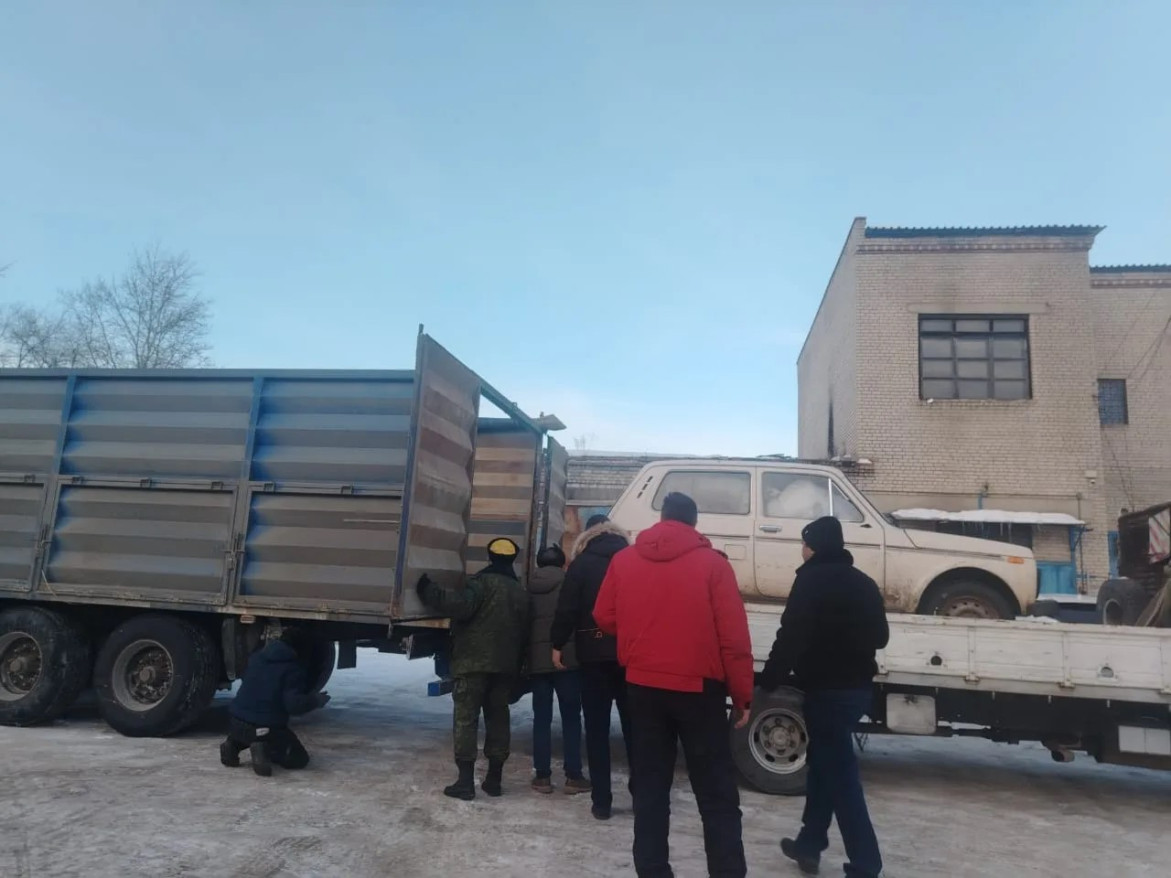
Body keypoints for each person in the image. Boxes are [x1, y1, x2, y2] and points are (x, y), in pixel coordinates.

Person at [594, 492, 754, 878]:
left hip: (642, 687)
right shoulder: (713, 565)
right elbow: (733, 638)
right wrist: (742, 695)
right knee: (715, 793)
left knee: (650, 788)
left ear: (662, 518)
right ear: (693, 523)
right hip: (700, 691)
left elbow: (603, 615)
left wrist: (637, 632)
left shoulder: (624, 560)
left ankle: (652, 870)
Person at [759, 516, 889, 878]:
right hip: (857, 690)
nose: (801, 550)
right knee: (823, 767)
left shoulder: (810, 581)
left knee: (842, 780)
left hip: (826, 692)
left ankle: (866, 865)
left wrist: (769, 681)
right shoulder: (863, 582)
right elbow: (881, 637)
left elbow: (790, 635)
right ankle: (809, 844)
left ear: (814, 546)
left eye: (804, 543)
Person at [418, 536, 530, 801]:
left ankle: (465, 781)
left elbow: (459, 606)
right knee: (498, 718)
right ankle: (494, 779)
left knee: (466, 719)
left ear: (490, 557)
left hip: (473, 664)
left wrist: (428, 589)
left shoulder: (480, 584)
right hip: (505, 666)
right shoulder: (520, 592)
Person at [550, 513, 632, 820]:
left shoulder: (581, 564)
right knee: (635, 729)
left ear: (588, 535)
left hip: (593, 656)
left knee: (597, 730)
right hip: (628, 656)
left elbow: (567, 608)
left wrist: (558, 644)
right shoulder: (633, 560)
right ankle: (641, 794)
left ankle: (601, 802)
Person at [526, 544, 591, 795]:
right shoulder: (569, 583)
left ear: (539, 563)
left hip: (538, 662)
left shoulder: (529, 586)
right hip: (567, 660)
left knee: (541, 719)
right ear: (563, 563)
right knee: (571, 718)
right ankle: (573, 776)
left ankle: (542, 777)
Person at [220, 628, 330, 777]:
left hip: (235, 721)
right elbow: (293, 705)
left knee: (248, 726)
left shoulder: (257, 657)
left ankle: (233, 743)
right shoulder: (292, 668)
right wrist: (316, 700)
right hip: (265, 728)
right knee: (299, 759)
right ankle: (262, 747)